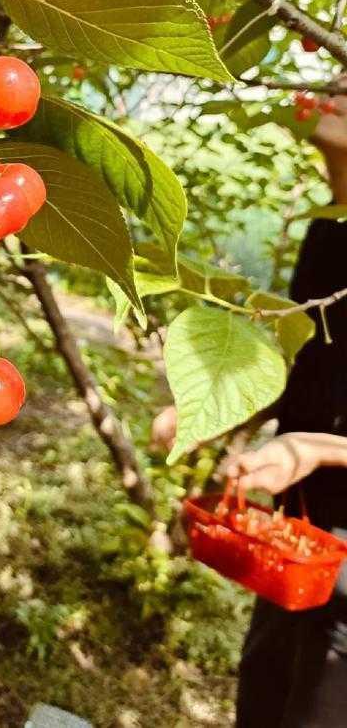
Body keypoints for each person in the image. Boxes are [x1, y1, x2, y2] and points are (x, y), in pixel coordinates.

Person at [153, 93, 347, 727]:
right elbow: (311, 371)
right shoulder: (329, 229)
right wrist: (218, 415)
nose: (334, 90)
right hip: (298, 534)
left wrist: (311, 449)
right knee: (261, 699)